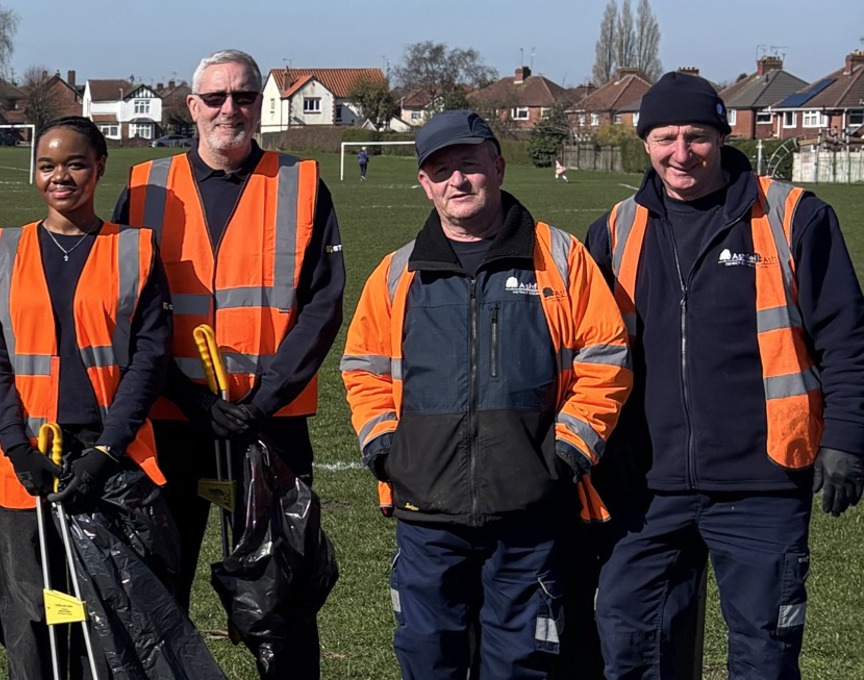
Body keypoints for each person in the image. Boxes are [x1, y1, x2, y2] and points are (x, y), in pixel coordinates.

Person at [584, 71, 864, 680]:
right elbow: (587, 356)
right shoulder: (613, 230)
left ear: (721, 135)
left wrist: (844, 439)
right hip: (645, 488)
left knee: (764, 655)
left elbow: (847, 340)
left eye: (695, 136)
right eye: (664, 138)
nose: (680, 153)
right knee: (631, 648)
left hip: (762, 484)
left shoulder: (795, 217)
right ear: (646, 143)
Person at [342, 109, 630, 680]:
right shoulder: (396, 273)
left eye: (469, 165)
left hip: (530, 508)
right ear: (424, 182)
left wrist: (568, 450)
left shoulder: (561, 258)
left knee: (522, 662)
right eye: (441, 170)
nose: (457, 181)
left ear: (497, 167)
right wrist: (384, 449)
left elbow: (606, 357)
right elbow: (363, 369)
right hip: (426, 510)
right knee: (428, 656)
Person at [108, 48, 346, 679]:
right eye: (215, 98)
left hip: (270, 423)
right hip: (172, 419)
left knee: (284, 592)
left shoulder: (301, 182)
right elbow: (119, 306)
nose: (229, 109)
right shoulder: (144, 188)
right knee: (161, 590)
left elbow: (323, 305)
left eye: (243, 97)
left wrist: (262, 400)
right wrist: (190, 399)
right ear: (192, 107)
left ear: (257, 106)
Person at [0, 116, 171, 679]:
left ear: (99, 167)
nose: (61, 176)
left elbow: (148, 361)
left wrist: (106, 451)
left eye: (75, 163)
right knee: (32, 615)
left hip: (110, 460)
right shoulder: (0, 249)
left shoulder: (134, 250)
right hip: (23, 459)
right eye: (47, 165)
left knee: (113, 615)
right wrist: (16, 446)